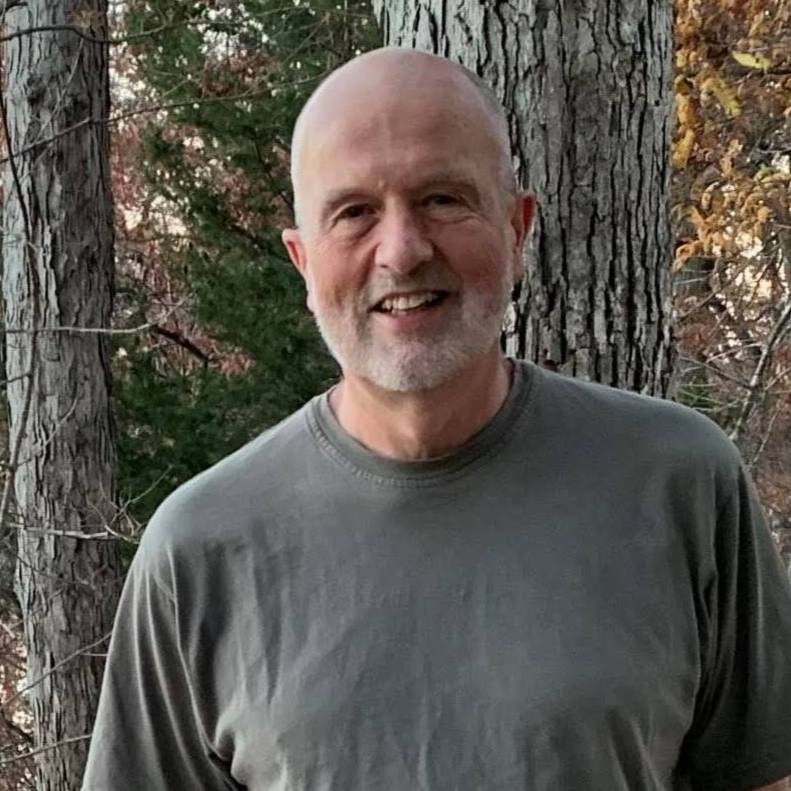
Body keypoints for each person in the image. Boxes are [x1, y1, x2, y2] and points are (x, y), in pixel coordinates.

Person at [82, 48, 791, 791]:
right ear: (302, 262)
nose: (403, 250)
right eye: (354, 213)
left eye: (443, 199)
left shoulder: (676, 481)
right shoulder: (198, 553)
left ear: (517, 229)